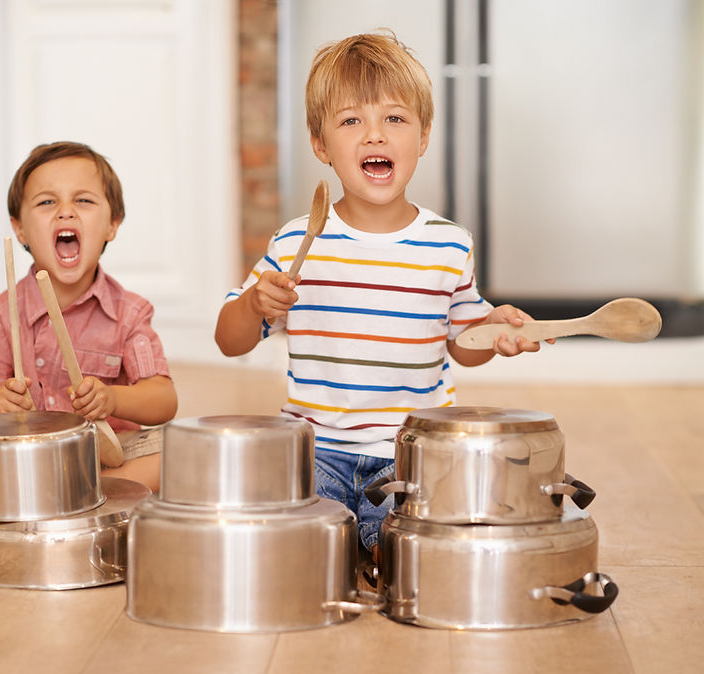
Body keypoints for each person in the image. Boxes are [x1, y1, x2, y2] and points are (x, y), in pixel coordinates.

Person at [214, 31, 546, 558]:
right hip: (314, 452)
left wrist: (495, 332)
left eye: (395, 118)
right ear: (320, 144)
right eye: (351, 121)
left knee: (420, 551)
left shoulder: (449, 245)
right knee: (288, 548)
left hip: (412, 454)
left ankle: (378, 547)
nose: (375, 136)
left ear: (424, 136)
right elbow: (229, 340)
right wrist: (255, 303)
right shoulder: (299, 241)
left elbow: (464, 343)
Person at [0, 141, 177, 491]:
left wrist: (113, 399)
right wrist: (3, 407)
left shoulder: (129, 312)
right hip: (28, 456)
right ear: (20, 229)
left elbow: (164, 399)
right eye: (47, 202)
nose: (65, 212)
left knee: (177, 448)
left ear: (112, 224)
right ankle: (87, 493)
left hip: (108, 456)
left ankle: (76, 492)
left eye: (83, 200)